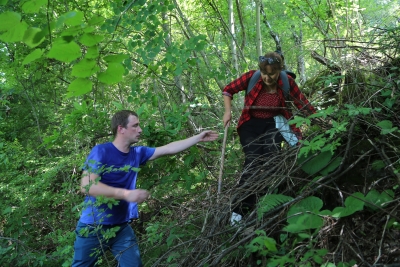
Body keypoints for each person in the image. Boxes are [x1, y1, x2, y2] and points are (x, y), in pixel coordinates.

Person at [72, 110, 219, 267]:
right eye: (135, 126)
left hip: (121, 227)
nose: (140, 129)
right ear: (121, 129)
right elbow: (87, 186)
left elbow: (168, 148)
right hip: (93, 226)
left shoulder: (137, 153)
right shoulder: (101, 151)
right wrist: (125, 194)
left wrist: (198, 138)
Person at [222, 51, 316, 224]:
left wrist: (321, 120)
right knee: (253, 160)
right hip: (250, 124)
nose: (267, 77)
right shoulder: (252, 77)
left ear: (279, 70)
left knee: (272, 159)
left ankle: (268, 202)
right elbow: (228, 90)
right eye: (264, 73)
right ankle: (239, 210)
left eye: (271, 73)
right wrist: (227, 112)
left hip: (274, 123)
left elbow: (304, 105)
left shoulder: (287, 82)